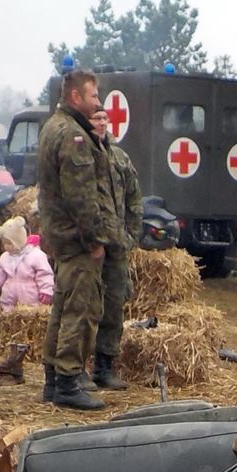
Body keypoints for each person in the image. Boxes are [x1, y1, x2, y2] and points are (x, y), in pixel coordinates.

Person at [36, 67, 123, 410]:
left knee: (62, 304)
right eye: (93, 96)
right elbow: (81, 197)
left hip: (61, 235)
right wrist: (95, 239)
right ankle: (69, 381)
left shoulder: (54, 127)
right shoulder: (73, 136)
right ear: (76, 97)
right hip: (77, 239)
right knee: (79, 309)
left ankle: (53, 378)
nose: (98, 102)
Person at [88, 107, 143, 390]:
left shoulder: (120, 157)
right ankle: (75, 367)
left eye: (103, 119)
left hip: (117, 246)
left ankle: (104, 366)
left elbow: (134, 198)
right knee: (85, 305)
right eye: (95, 118)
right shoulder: (82, 155)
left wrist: (130, 235)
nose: (100, 123)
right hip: (89, 245)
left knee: (113, 306)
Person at [0, 216, 55, 310]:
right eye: (4, 243)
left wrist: (46, 291)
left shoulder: (35, 255)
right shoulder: (5, 257)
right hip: (9, 294)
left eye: (9, 243)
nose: (6, 247)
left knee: (30, 313)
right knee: (7, 312)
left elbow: (44, 274)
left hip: (29, 295)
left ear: (18, 241)